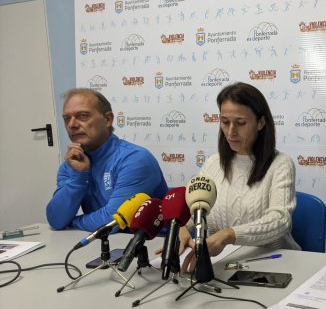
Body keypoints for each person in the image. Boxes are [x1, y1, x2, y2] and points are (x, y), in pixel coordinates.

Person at [178, 82, 299, 272]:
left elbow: (280, 220)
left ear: (260, 123)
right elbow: (194, 210)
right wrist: (181, 227)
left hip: (271, 266)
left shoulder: (280, 164)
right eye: (225, 121)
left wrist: (230, 235)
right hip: (223, 266)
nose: (230, 131)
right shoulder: (212, 164)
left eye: (240, 123)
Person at [46, 88, 168, 231]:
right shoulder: (72, 164)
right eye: (67, 118)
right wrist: (78, 178)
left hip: (151, 245)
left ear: (108, 119)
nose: (72, 124)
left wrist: (72, 222)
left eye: (83, 116)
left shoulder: (135, 159)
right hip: (103, 244)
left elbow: (113, 222)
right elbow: (56, 220)